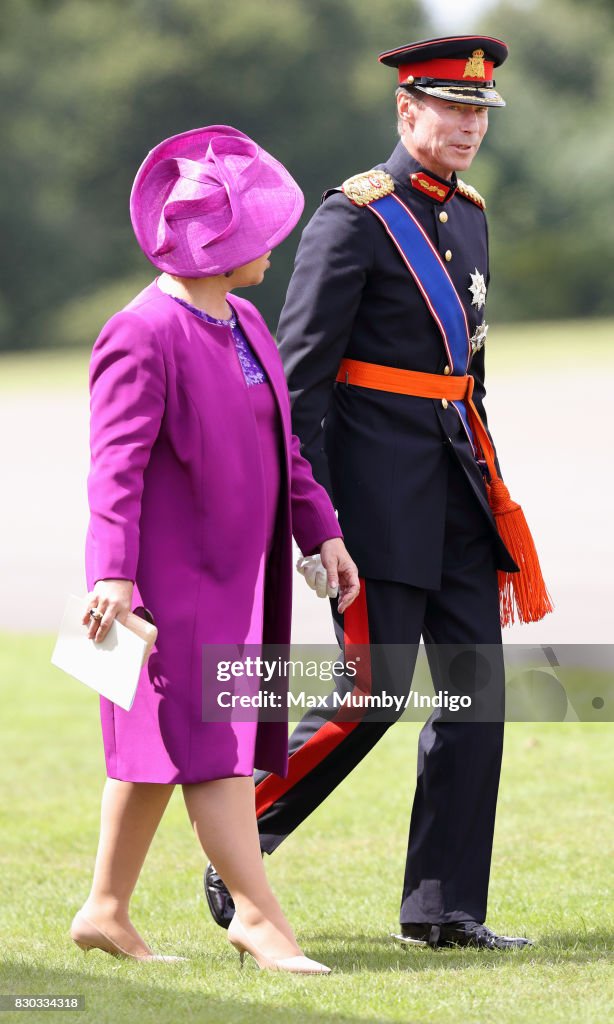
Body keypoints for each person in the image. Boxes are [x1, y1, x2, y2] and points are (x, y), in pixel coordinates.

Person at [204, 38, 552, 950]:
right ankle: (241, 834)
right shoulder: (352, 219)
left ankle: (443, 912)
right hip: (373, 504)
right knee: (374, 692)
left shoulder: (472, 215)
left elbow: (465, 376)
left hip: (457, 492)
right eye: (452, 110)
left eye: (480, 113)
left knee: (478, 697)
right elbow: (297, 388)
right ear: (407, 112)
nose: (469, 126)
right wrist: (309, 525)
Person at [70, 124, 359, 973]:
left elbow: (286, 450)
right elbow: (113, 470)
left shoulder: (244, 321)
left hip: (241, 580)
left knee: (155, 748)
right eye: (261, 231)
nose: (275, 242)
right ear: (220, 244)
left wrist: (324, 529)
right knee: (214, 747)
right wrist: (114, 577)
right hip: (163, 590)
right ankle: (258, 919)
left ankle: (104, 909)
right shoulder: (140, 332)